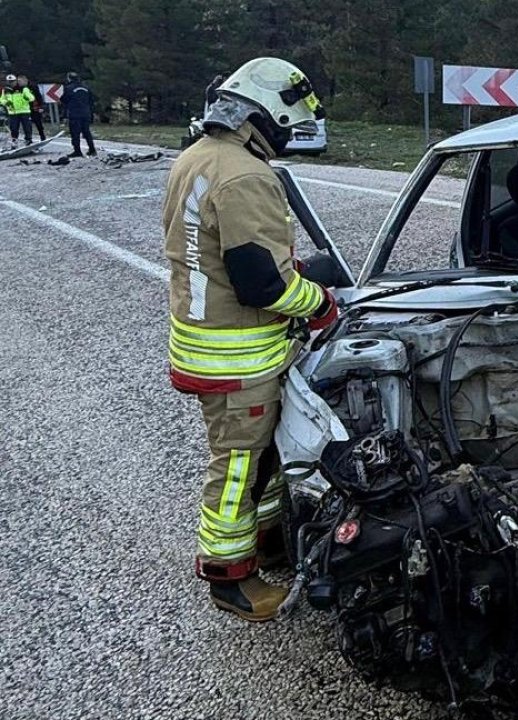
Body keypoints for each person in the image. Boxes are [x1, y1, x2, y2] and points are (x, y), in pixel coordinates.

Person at [161, 57, 335, 622]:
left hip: (208, 341)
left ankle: (267, 540)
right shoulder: (247, 175)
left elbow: (220, 254)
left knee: (257, 461)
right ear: (268, 114)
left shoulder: (198, 157)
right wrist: (321, 303)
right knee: (238, 468)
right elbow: (261, 283)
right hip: (238, 355)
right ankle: (229, 577)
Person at [61, 72, 97, 156]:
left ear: (69, 78)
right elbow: (91, 100)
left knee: (75, 133)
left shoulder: (68, 88)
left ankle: (77, 151)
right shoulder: (86, 88)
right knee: (86, 132)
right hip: (86, 113)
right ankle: (92, 149)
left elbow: (64, 100)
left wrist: (65, 115)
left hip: (75, 114)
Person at [1, 74, 35, 148]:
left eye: (12, 81)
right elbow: (2, 99)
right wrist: (5, 102)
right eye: (9, 82)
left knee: (27, 127)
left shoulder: (23, 88)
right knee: (13, 128)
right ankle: (14, 142)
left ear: (16, 81)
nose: (11, 83)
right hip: (13, 112)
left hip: (24, 111)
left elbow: (31, 97)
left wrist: (28, 97)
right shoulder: (6, 90)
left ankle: (28, 140)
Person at [17, 76, 46, 141]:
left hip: (34, 107)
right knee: (27, 125)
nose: (19, 83)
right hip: (25, 109)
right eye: (18, 81)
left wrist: (41, 106)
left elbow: (39, 96)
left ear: (25, 81)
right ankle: (28, 139)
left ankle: (42, 136)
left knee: (38, 123)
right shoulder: (18, 88)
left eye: (20, 81)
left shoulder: (33, 86)